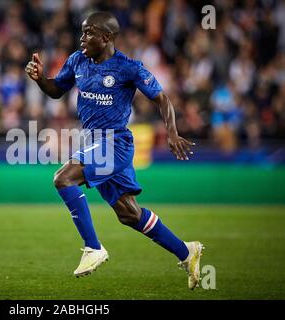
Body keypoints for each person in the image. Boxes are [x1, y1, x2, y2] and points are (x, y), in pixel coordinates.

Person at [25, 11, 203, 289]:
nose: (82, 38)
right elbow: (57, 90)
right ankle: (186, 251)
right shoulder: (77, 61)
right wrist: (39, 79)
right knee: (129, 214)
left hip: (116, 143)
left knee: (63, 177)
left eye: (89, 32)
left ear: (106, 37)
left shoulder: (128, 68)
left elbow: (162, 98)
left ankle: (93, 248)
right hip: (93, 142)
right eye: (82, 32)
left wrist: (171, 132)